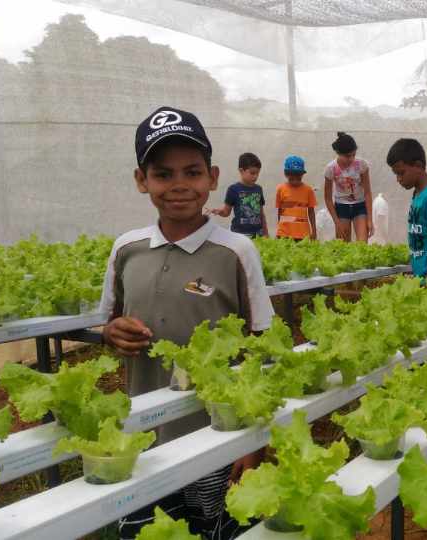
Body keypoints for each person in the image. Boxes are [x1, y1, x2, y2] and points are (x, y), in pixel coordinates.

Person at [101, 107, 275, 539]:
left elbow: (262, 348)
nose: (179, 186)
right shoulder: (127, 249)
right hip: (143, 436)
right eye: (163, 174)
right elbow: (107, 323)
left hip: (216, 435)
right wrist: (110, 333)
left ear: (213, 178)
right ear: (142, 180)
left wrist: (253, 445)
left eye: (192, 172)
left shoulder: (236, 251)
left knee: (215, 526)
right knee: (150, 529)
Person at [387, 138, 427, 282]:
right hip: (419, 274)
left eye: (401, 173)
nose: (399, 179)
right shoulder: (418, 195)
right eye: (396, 174)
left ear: (418, 166)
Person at [324, 132, 373, 242]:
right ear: (338, 153)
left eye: (354, 155)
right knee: (342, 244)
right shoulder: (330, 168)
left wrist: (369, 220)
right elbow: (327, 198)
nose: (351, 158)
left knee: (362, 243)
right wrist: (336, 222)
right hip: (341, 208)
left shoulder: (362, 165)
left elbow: (367, 193)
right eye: (347, 156)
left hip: (360, 206)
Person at [207, 152, 268, 238]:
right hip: (239, 235)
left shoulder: (258, 189)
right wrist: (219, 211)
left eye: (258, 173)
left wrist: (266, 232)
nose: (255, 176)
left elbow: (261, 213)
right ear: (241, 171)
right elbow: (226, 212)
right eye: (252, 173)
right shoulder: (233, 189)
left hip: (258, 234)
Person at [275, 155, 317, 241]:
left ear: (302, 174)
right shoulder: (280, 189)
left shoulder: (308, 190)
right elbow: (280, 210)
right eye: (292, 176)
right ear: (286, 174)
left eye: (298, 176)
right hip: (284, 233)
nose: (295, 179)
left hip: (302, 234)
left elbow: (311, 212)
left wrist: (314, 231)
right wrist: (279, 230)